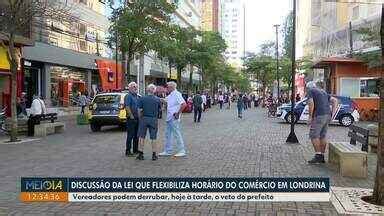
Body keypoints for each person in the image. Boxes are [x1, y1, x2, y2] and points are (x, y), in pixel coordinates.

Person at [307, 81, 338, 164]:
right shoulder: (323, 91)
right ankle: (322, 156)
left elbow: (311, 103)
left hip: (319, 116)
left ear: (308, 87)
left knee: (314, 135)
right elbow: (335, 100)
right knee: (322, 136)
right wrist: (333, 114)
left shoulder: (311, 91)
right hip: (327, 115)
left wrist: (310, 117)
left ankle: (318, 156)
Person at [159, 81, 187, 157]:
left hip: (173, 117)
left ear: (171, 87)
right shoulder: (171, 94)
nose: (166, 88)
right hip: (169, 117)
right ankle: (168, 150)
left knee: (176, 134)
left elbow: (184, 104)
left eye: (167, 87)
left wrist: (178, 113)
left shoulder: (177, 94)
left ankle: (182, 150)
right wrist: (156, 98)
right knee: (168, 134)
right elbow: (165, 100)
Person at [136, 84, 161, 161]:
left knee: (141, 137)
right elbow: (160, 109)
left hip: (144, 118)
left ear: (147, 90)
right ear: (154, 90)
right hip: (153, 119)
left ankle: (140, 154)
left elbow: (139, 110)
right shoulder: (157, 99)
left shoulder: (142, 98)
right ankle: (154, 154)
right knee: (153, 137)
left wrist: (140, 117)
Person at [124, 82, 140, 157]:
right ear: (129, 88)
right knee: (130, 135)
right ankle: (128, 151)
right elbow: (127, 107)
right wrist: (131, 116)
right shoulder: (128, 96)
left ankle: (135, 149)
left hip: (137, 118)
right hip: (131, 118)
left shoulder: (137, 96)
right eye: (134, 87)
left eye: (136, 87)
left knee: (136, 135)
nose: (135, 88)